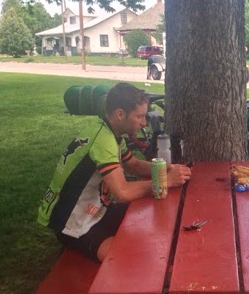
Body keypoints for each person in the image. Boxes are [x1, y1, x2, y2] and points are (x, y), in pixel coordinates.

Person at [38, 82, 192, 261]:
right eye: (140, 116)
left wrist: (166, 169)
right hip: (73, 223)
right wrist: (167, 181)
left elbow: (133, 164)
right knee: (126, 258)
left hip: (98, 210)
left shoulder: (108, 132)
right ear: (120, 114)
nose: (144, 122)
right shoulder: (103, 141)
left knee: (149, 221)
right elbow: (123, 192)